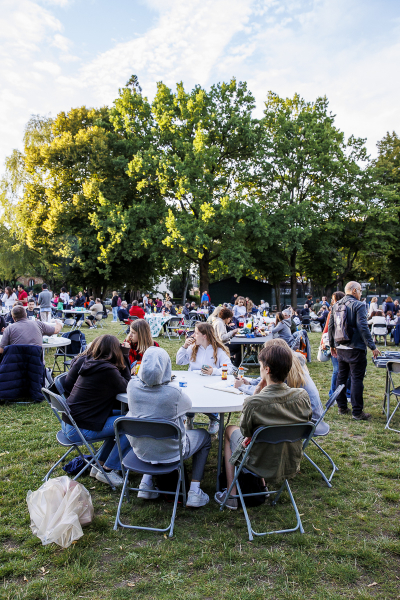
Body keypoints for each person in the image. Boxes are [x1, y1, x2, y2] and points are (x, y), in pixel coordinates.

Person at [215, 344, 312, 509]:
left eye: (260, 366)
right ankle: (263, 487)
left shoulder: (254, 403)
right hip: (288, 459)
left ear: (266, 370)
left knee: (230, 430)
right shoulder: (302, 396)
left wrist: (255, 395)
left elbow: (245, 432)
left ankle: (231, 496)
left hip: (258, 461)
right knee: (266, 434)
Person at [126, 346, 211, 507]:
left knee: (149, 432)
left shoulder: (132, 387)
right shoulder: (173, 393)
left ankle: (146, 484)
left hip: (141, 449)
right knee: (205, 436)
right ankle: (194, 491)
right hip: (171, 452)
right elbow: (188, 407)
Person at [61, 334, 131, 487]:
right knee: (132, 424)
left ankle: (100, 463)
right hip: (80, 428)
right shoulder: (107, 370)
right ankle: (109, 468)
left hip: (71, 423)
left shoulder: (92, 363)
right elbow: (128, 385)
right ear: (115, 350)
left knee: (126, 417)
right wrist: (125, 356)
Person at [235, 338, 323, 422]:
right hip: (306, 416)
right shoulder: (291, 365)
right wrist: (250, 382)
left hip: (307, 420)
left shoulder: (286, 374)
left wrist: (242, 386)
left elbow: (266, 393)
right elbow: (266, 379)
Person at [328, 281, 380, 420]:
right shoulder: (359, 305)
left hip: (340, 347)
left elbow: (331, 326)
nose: (361, 293)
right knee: (356, 379)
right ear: (355, 290)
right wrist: (373, 347)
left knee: (341, 377)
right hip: (355, 347)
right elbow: (363, 327)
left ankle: (342, 407)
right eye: (361, 290)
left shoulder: (336, 305)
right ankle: (357, 412)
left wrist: (332, 344)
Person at [176, 322, 233, 434]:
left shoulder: (218, 350)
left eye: (196, 333)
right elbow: (179, 361)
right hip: (193, 383)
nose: (193, 335)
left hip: (211, 385)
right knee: (187, 397)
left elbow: (230, 369)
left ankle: (213, 419)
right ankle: (189, 417)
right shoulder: (193, 348)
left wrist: (214, 371)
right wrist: (184, 347)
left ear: (204, 336)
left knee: (210, 398)